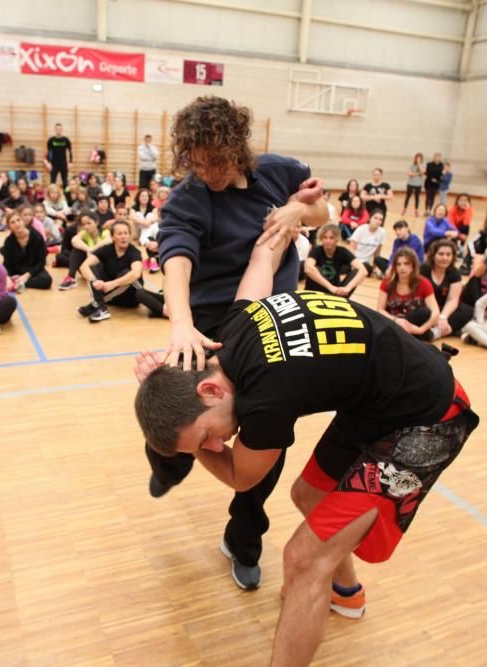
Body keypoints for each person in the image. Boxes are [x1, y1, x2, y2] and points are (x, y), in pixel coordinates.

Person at [133, 235, 478, 667]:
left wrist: (196, 447)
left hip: (427, 415)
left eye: (206, 437)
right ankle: (346, 593)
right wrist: (161, 389)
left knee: (302, 559)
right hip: (381, 397)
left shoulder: (264, 400)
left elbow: (242, 477)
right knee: (308, 494)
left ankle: (322, 583)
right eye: (206, 447)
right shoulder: (234, 329)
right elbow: (263, 255)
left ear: (207, 388)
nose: (216, 446)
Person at [155, 95, 329, 590]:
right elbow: (176, 256)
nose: (207, 171)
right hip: (208, 320)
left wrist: (298, 209)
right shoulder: (189, 198)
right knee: (173, 414)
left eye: (216, 159)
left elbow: (322, 213)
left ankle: (244, 537)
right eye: (196, 161)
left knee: (267, 434)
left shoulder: (278, 172)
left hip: (273, 322)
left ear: (238, 148)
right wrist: (181, 323)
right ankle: (167, 462)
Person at [76, 220, 164, 322]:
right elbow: (84, 266)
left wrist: (111, 284)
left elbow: (136, 274)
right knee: (92, 268)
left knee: (127, 273)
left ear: (129, 236)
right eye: (119, 234)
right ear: (113, 237)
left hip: (130, 297)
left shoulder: (134, 252)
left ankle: (97, 304)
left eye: (126, 233)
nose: (123, 236)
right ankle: (100, 305)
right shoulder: (106, 249)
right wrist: (94, 281)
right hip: (111, 297)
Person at [377, 247, 439, 340]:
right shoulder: (388, 282)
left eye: (406, 264)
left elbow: (435, 312)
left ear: (413, 266)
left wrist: (421, 329)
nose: (402, 267)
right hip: (393, 322)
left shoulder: (423, 283)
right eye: (398, 264)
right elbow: (380, 309)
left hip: (413, 325)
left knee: (425, 312)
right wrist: (396, 320)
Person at [421, 239, 469, 338]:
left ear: (453, 257)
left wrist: (443, 317)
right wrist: (435, 316)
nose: (445, 258)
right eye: (441, 254)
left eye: (448, 254)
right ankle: (449, 329)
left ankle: (435, 333)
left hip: (444, 308)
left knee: (467, 311)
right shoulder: (423, 269)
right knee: (422, 313)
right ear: (433, 255)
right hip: (427, 306)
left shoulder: (455, 273)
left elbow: (452, 300)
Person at [303, 223, 365, 296]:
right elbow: (308, 269)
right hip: (318, 290)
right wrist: (330, 287)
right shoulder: (317, 250)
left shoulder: (342, 251)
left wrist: (348, 288)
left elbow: (363, 270)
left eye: (331, 238)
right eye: (325, 238)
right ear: (321, 239)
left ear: (337, 239)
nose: (327, 241)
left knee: (356, 271)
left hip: (335, 292)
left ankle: (340, 297)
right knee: (314, 269)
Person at [57, 212, 111, 290]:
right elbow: (74, 240)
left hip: (102, 268)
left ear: (96, 222)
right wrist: (87, 249)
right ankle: (71, 277)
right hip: (86, 267)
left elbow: (109, 240)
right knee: (77, 250)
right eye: (84, 224)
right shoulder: (84, 233)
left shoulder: (104, 232)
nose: (86, 226)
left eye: (89, 223)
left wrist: (93, 249)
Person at [1, 211, 52, 291]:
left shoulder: (36, 237)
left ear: (23, 221)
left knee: (47, 281)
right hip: (16, 271)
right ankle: (17, 281)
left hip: (33, 271)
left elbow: (41, 262)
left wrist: (26, 276)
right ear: (10, 227)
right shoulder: (9, 241)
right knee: (0, 278)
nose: (17, 224)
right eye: (12, 222)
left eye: (18, 220)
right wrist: (7, 277)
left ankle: (19, 283)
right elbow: (7, 264)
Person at [349, 210, 387, 278]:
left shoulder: (382, 233)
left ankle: (357, 270)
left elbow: (377, 253)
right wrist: (353, 264)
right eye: (375, 218)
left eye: (380, 219)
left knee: (367, 268)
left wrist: (375, 268)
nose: (378, 221)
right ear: (370, 218)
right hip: (354, 260)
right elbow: (351, 248)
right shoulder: (361, 229)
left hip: (365, 263)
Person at [45, 123, 73, 188]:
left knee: (65, 182)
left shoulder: (66, 140)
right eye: (57, 129)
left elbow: (70, 151)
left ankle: (66, 197)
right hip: (54, 164)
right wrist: (48, 163)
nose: (58, 130)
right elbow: (49, 152)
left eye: (60, 129)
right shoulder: (51, 140)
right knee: (52, 182)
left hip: (63, 164)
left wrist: (71, 162)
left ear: (62, 130)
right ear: (55, 130)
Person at [403, 153, 423, 217]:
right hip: (410, 183)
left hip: (418, 184)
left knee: (417, 198)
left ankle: (416, 211)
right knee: (408, 197)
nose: (418, 159)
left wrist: (419, 165)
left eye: (420, 158)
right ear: (415, 158)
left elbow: (422, 173)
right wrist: (418, 174)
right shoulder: (411, 165)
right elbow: (410, 174)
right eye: (417, 158)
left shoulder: (423, 165)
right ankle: (404, 209)